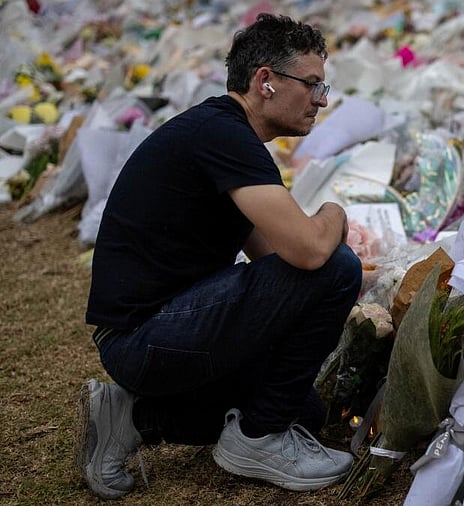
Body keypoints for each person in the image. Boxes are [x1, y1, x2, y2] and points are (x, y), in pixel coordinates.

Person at [76, 13, 362, 499]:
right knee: (338, 267)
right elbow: (310, 253)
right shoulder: (223, 134)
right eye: (312, 85)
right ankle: (258, 440)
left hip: (151, 333)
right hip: (143, 337)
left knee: (304, 410)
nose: (320, 100)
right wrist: (335, 212)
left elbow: (275, 259)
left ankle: (133, 416)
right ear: (265, 81)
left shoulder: (225, 135)